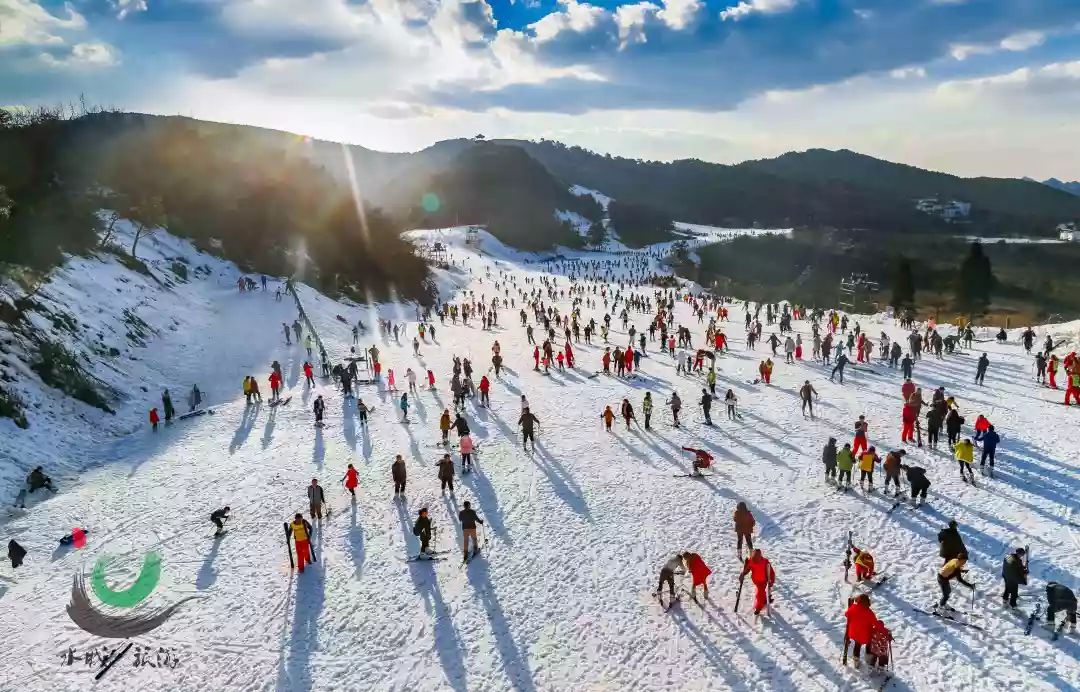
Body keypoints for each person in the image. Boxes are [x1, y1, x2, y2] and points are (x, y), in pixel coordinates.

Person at [844, 594, 879, 668]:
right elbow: (875, 623)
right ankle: (868, 657)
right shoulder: (869, 612)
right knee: (869, 643)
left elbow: (846, 614)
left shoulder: (853, 608)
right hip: (866, 634)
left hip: (854, 632)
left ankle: (856, 660)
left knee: (857, 645)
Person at [740, 549, 776, 616]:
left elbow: (771, 573)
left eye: (756, 561)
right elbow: (747, 569)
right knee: (761, 593)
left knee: (759, 595)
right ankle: (765, 599)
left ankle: (759, 607)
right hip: (756, 580)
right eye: (754, 560)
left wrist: (771, 581)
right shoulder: (751, 561)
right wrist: (743, 574)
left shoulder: (765, 562)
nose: (755, 562)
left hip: (763, 582)